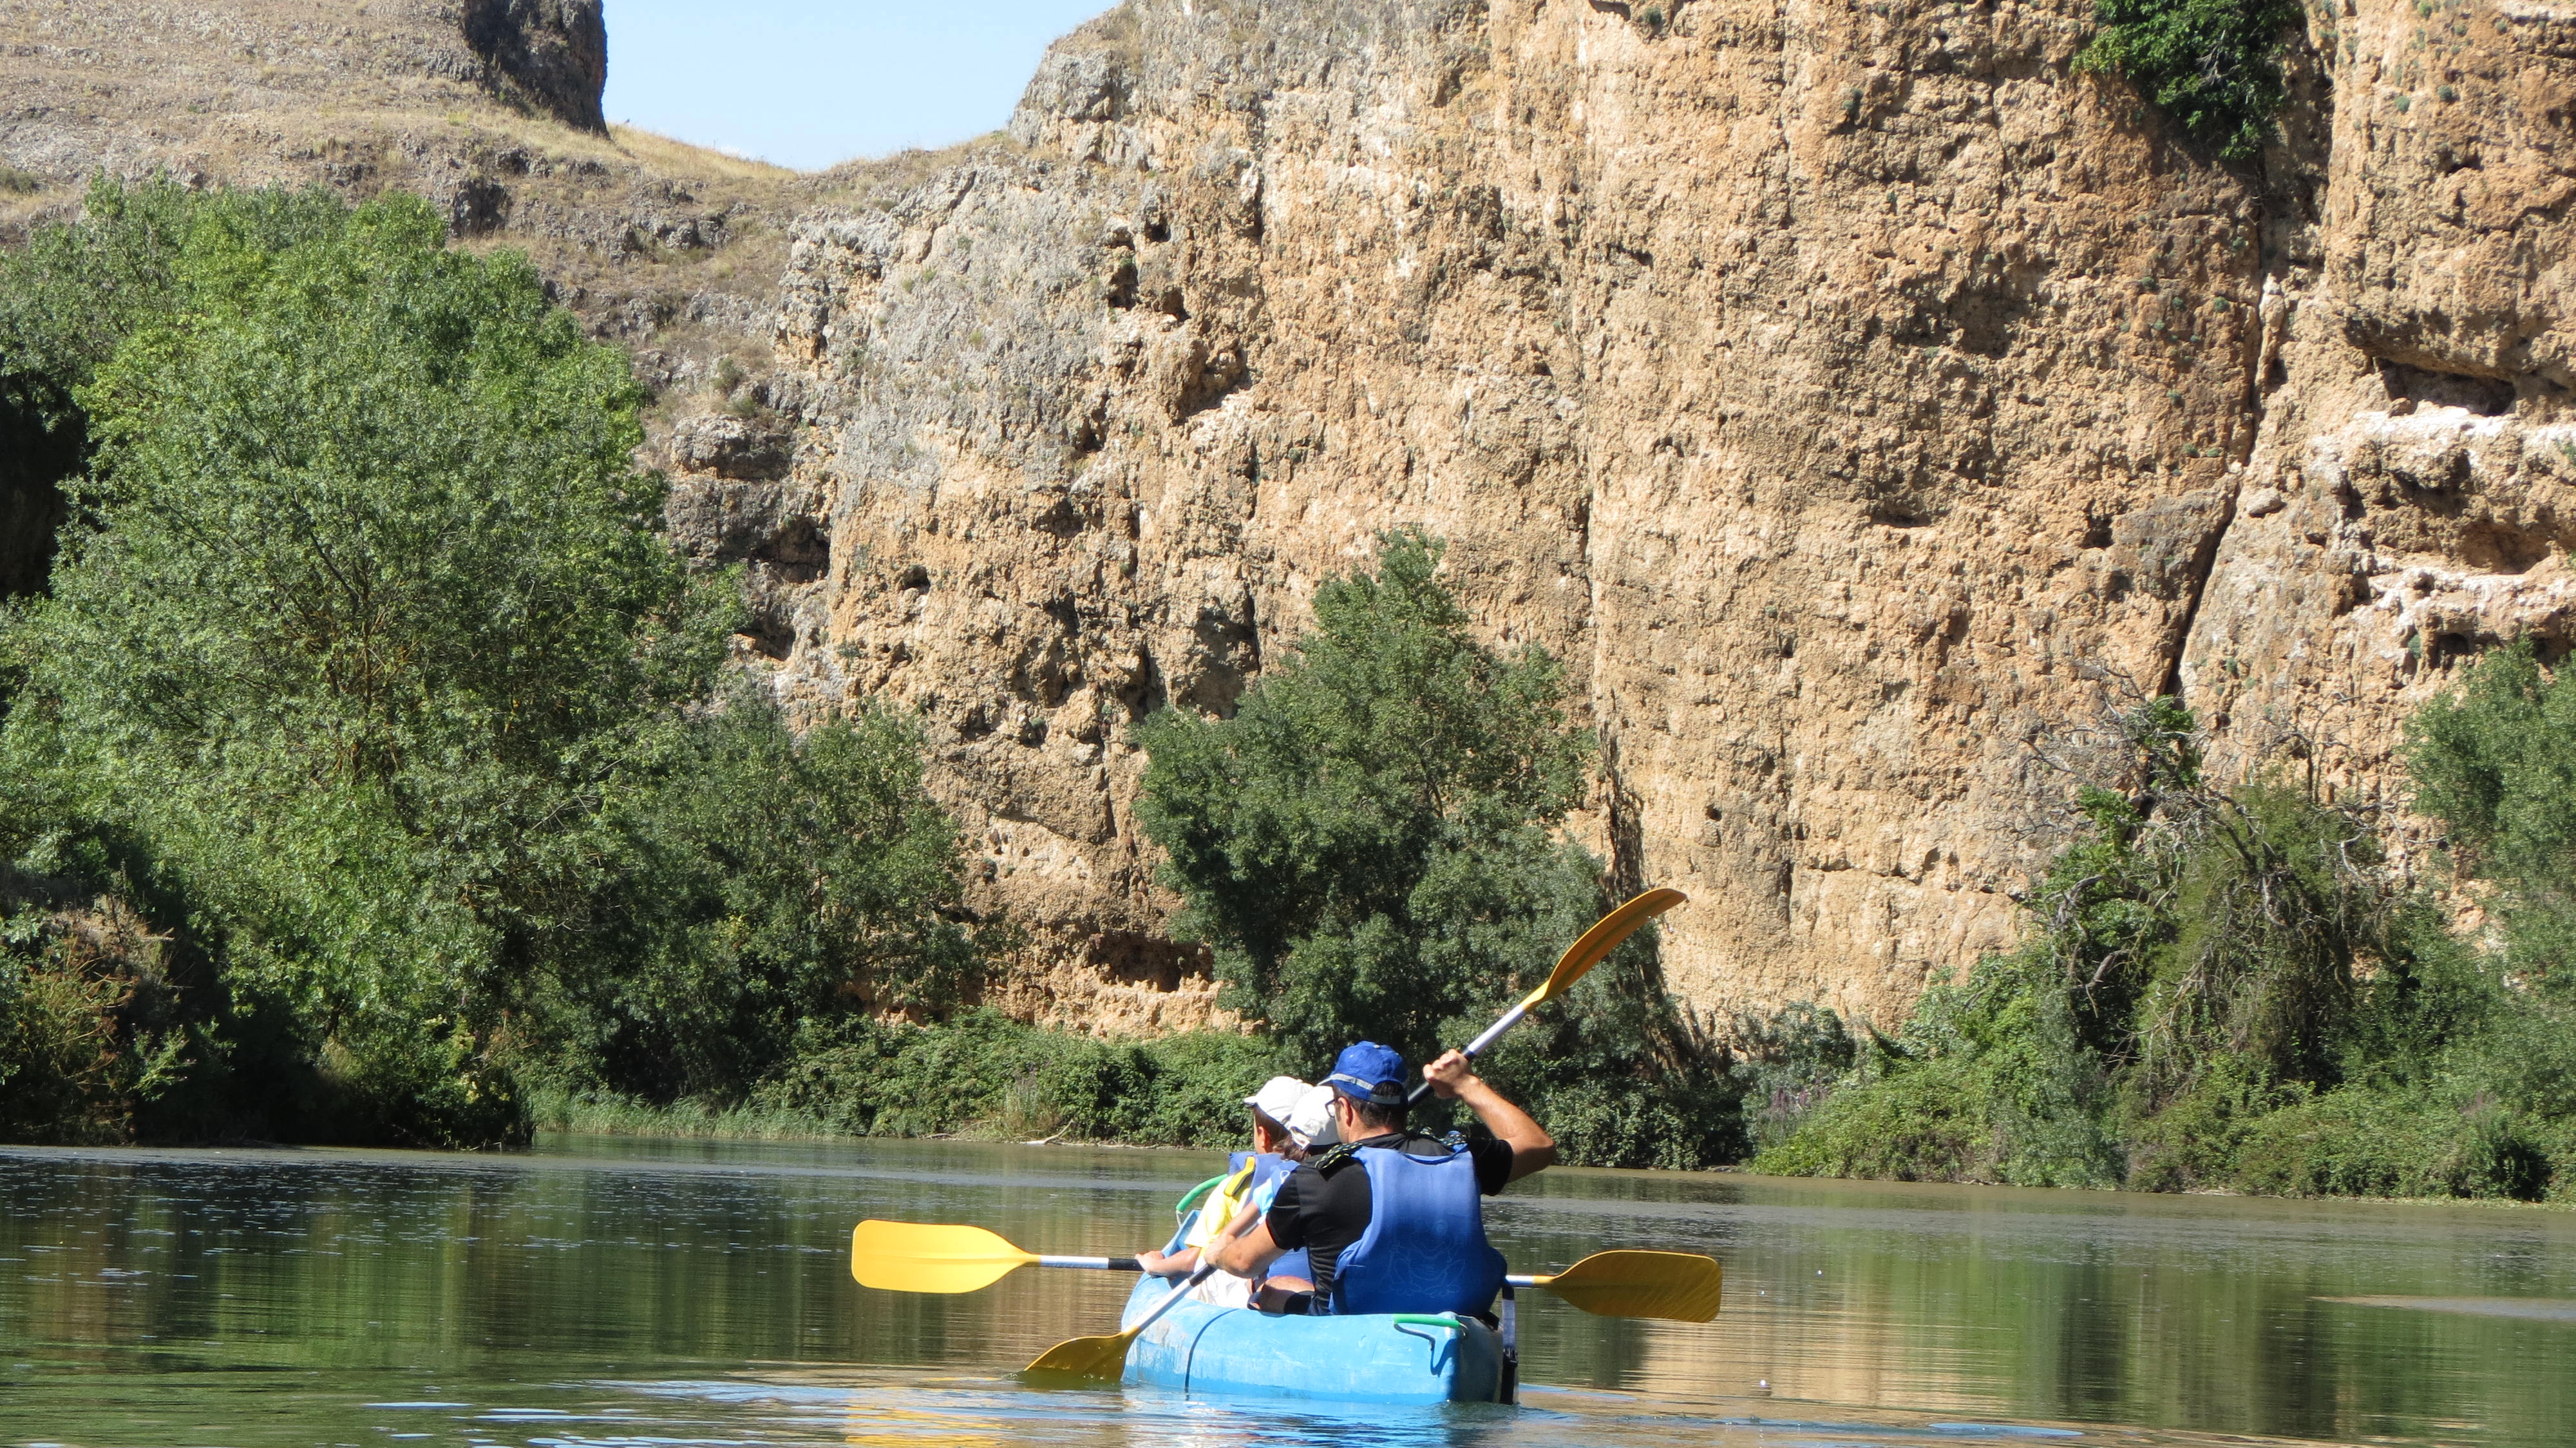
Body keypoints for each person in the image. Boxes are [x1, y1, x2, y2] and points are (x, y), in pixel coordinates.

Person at [1212, 1040, 1557, 1317]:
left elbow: (1245, 1262)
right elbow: (1539, 1146)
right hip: (1455, 1319)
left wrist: (1218, 1253)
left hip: (1351, 1324)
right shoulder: (1461, 1159)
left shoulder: (1316, 1179)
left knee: (1276, 1287)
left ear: (1344, 1110)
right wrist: (1467, 1085)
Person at [1134, 1075, 1337, 1304]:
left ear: (1263, 1134)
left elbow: (1198, 1256)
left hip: (1259, 1284)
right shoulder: (1352, 1177)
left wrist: (1156, 1265)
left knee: (1208, 1269)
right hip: (1318, 1288)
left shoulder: (1239, 1187)